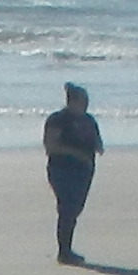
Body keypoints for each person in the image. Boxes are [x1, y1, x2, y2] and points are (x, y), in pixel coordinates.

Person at [42, 82, 101, 263]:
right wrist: (76, 153)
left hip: (84, 171)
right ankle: (64, 252)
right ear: (72, 101)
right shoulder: (57, 119)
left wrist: (98, 146)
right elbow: (50, 146)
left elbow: (96, 140)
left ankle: (66, 249)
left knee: (75, 209)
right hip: (61, 170)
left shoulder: (89, 120)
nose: (86, 104)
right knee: (67, 208)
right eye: (83, 101)